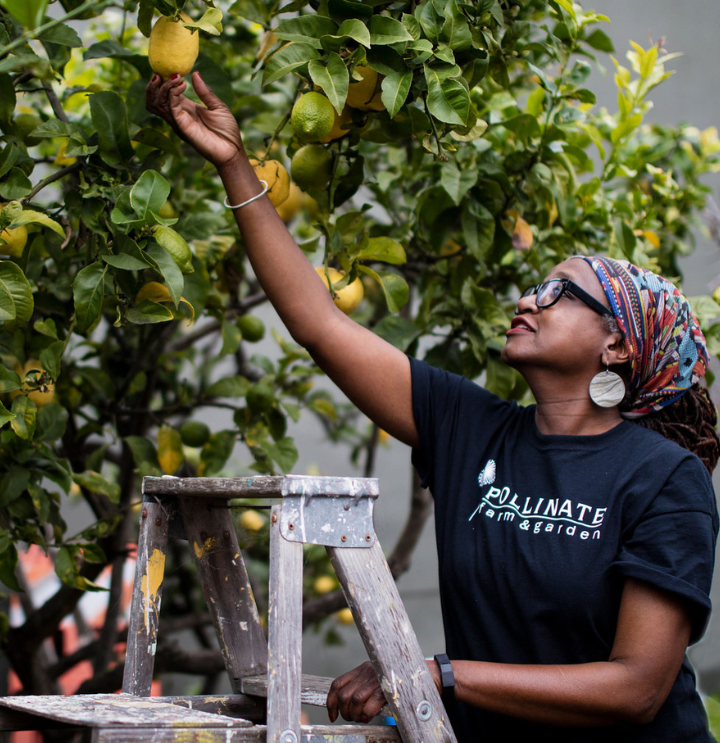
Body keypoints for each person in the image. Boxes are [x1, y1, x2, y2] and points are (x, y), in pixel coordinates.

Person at [146, 72, 720, 742]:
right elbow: (318, 322)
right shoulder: (469, 427)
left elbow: (636, 688)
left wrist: (437, 673)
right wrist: (232, 163)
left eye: (561, 293)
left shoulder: (662, 478)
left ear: (618, 344)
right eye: (535, 286)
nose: (529, 299)